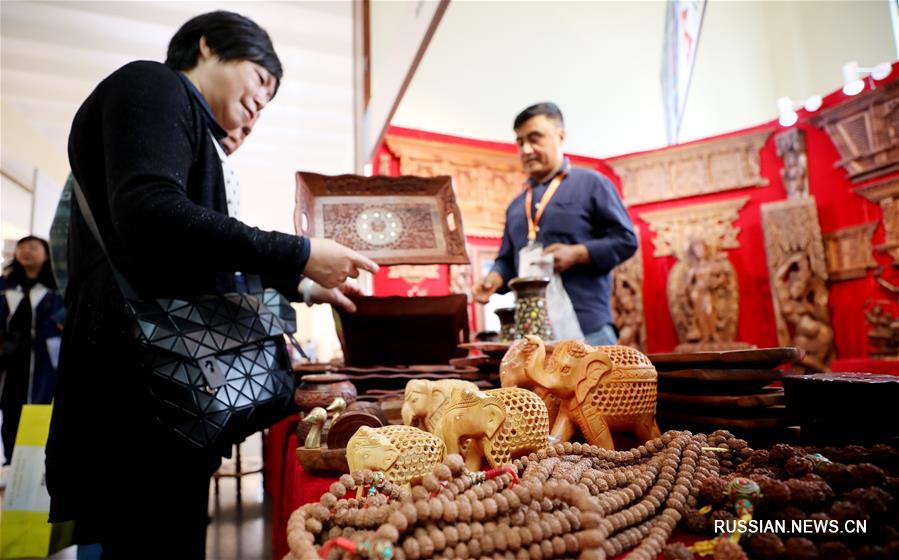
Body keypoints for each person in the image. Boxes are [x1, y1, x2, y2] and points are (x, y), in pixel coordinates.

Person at [45, 11, 377, 559]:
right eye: (259, 82)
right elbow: (152, 211)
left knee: (161, 532)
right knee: (146, 533)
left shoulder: (192, 125)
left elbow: (203, 256)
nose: (259, 106)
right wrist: (300, 252)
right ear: (207, 46)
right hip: (138, 384)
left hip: (159, 381)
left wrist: (307, 284)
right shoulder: (153, 83)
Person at [472, 102, 637, 346]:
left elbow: (626, 240)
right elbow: (507, 259)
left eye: (535, 139)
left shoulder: (592, 183)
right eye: (520, 142)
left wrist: (579, 253)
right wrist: (494, 279)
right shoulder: (517, 205)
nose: (526, 149)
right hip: (532, 334)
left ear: (560, 136)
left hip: (588, 329)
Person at [0, 236, 65, 463]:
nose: (27, 251)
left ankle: (33, 469)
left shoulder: (58, 288)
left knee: (39, 411)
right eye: (22, 248)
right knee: (10, 412)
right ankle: (11, 465)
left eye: (33, 248)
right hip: (10, 362)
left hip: (44, 362)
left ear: (46, 254)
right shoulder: (5, 285)